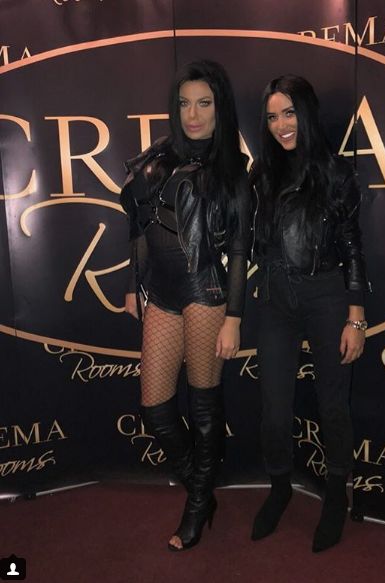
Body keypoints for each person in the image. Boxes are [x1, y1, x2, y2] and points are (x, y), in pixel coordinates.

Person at [120, 60, 250, 551]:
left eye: (204, 103)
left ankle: (196, 504)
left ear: (220, 108)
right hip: (161, 292)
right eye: (184, 103)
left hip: (204, 293)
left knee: (202, 404)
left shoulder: (232, 169)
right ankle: (202, 488)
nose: (192, 115)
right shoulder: (158, 157)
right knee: (155, 408)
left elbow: (239, 250)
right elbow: (138, 227)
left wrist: (233, 317)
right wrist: (133, 285)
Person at [249, 75, 370, 552]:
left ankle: (336, 495)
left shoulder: (336, 173)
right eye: (272, 116)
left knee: (333, 406)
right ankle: (280, 487)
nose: (281, 124)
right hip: (275, 298)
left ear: (306, 113)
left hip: (326, 296)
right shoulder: (262, 173)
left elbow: (352, 245)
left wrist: (355, 316)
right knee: (274, 410)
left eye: (289, 113)